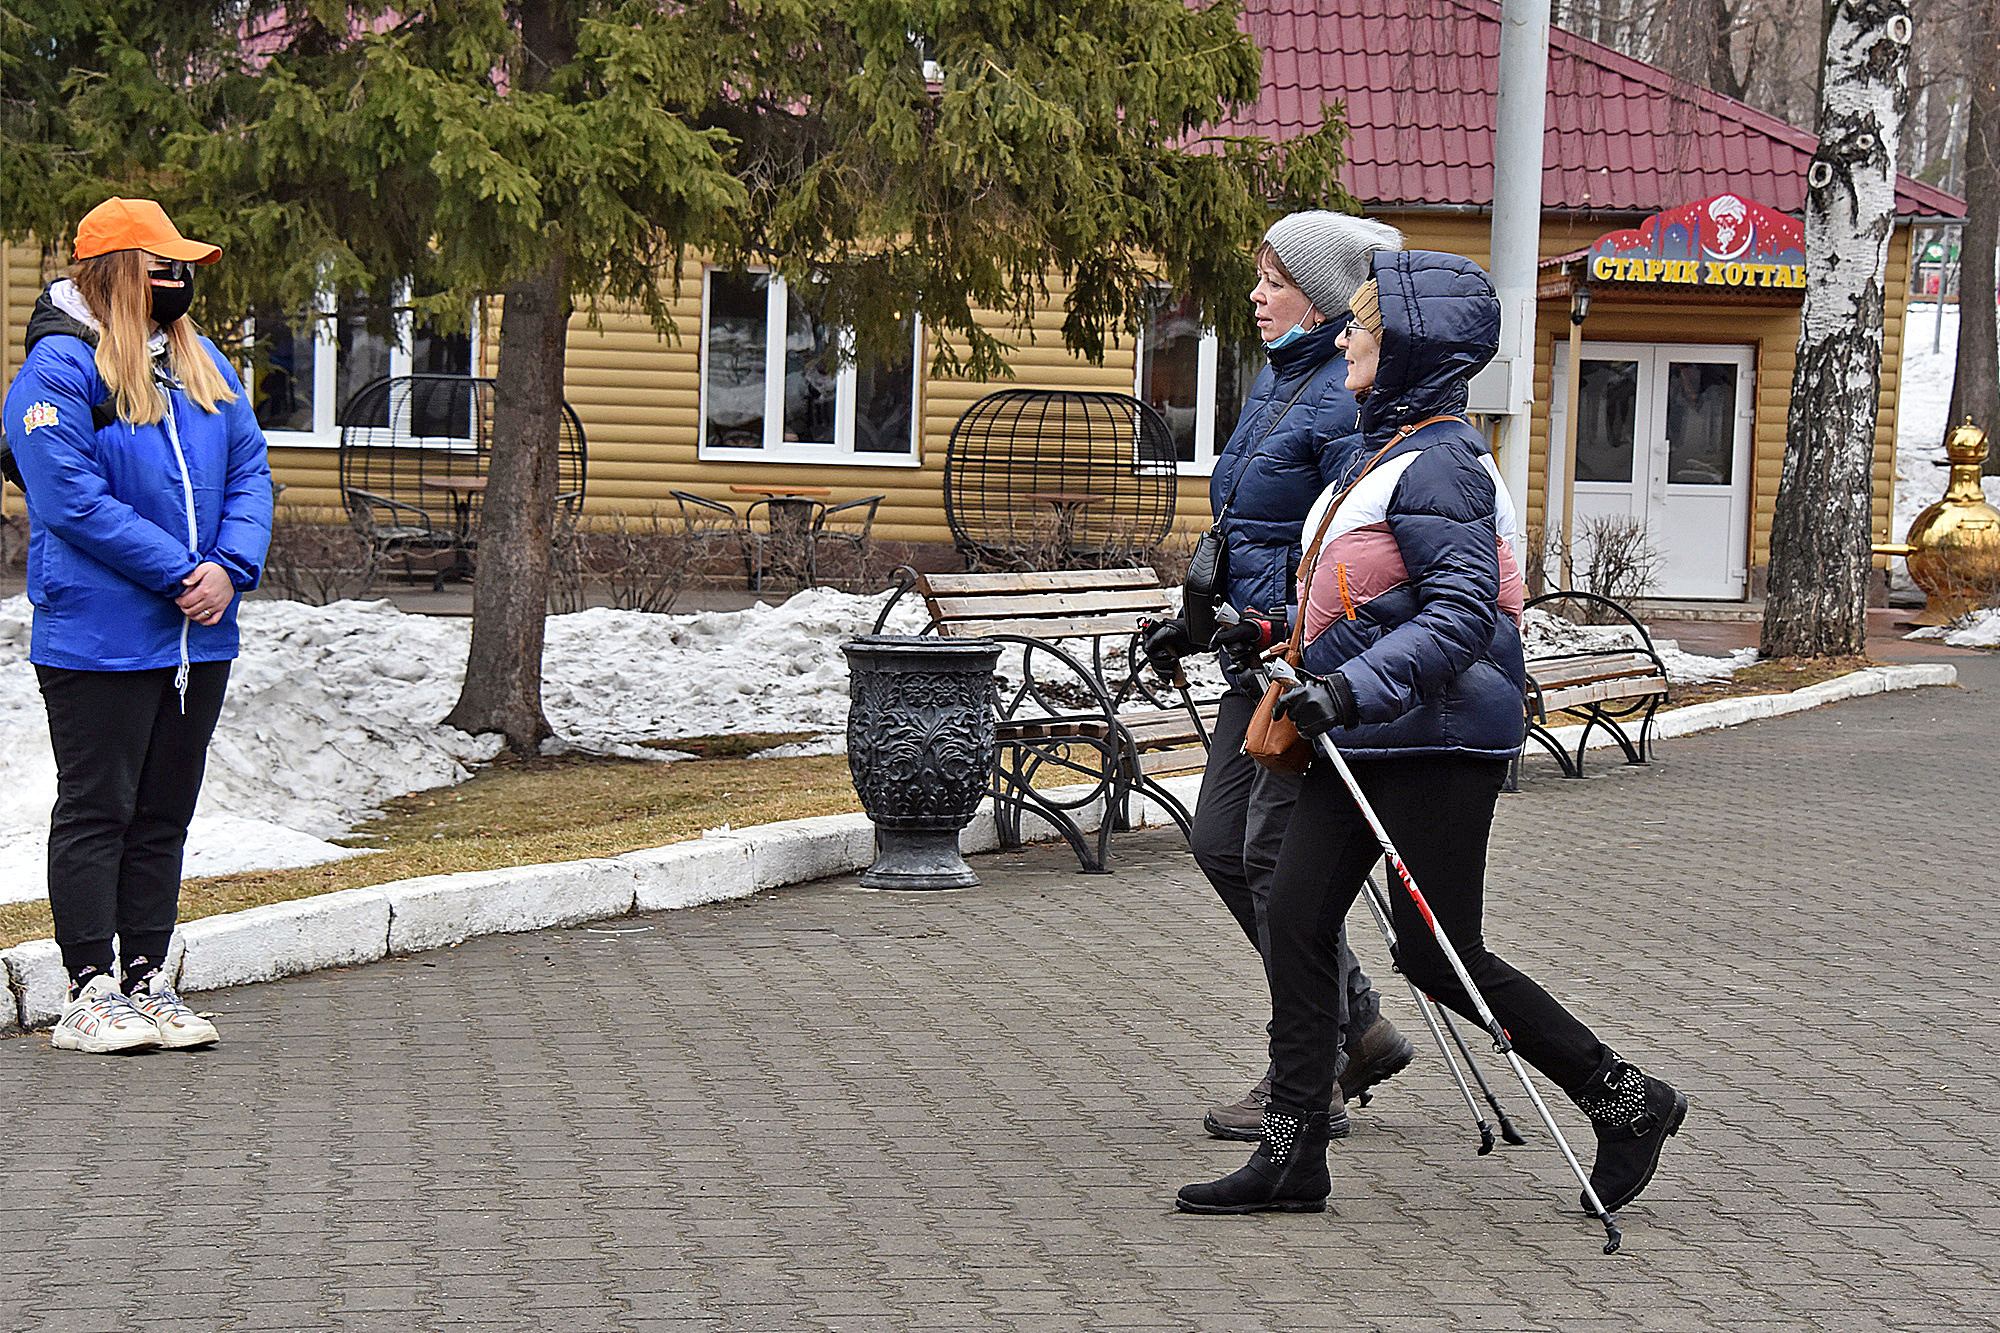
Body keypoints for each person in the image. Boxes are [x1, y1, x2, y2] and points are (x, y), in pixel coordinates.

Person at [1175, 250, 1687, 1218]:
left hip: (1437, 740)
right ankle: (1292, 1152)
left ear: (1409, 346)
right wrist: (1253, 631)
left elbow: (1458, 615)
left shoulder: (1443, 461)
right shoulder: (1384, 451)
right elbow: (1367, 602)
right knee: (1294, 915)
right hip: (1369, 732)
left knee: (1439, 951)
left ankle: (1625, 1099)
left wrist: (1347, 689)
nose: (1346, 338)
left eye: (1363, 326)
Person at [1140, 210, 1415, 1143]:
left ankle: (1309, 1075)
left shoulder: (1343, 398)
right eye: (1258, 276)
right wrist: (1194, 617)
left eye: (1275, 280)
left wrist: (1292, 636)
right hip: (1246, 654)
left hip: (1299, 661)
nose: (1255, 295)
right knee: (1222, 842)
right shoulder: (1281, 379)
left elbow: (1352, 547)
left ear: (1325, 300)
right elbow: (1248, 525)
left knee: (1270, 860)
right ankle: (1357, 1023)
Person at [3, 197, 273, 1053]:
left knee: (163, 814)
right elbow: (68, 499)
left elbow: (250, 468)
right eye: (164, 267)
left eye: (184, 267)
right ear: (118, 271)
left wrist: (229, 567)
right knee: (99, 811)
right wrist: (180, 572)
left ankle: (147, 977)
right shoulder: (59, 366)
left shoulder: (199, 359)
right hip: (99, 636)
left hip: (198, 637)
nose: (180, 281)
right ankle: (88, 989)